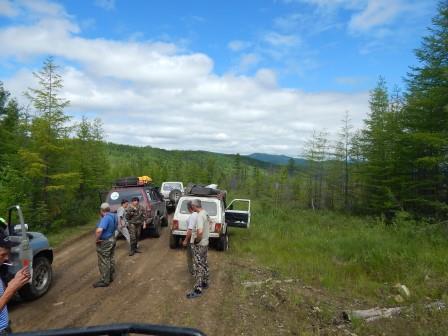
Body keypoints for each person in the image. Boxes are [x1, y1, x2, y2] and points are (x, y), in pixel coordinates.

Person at [0, 234, 31, 333]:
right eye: (3, 254)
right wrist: (11, 289)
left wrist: (14, 283)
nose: (7, 258)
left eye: (8, 254)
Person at [186, 199, 210, 299]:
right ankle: (205, 282)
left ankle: (198, 289)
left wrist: (196, 241)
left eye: (192, 206)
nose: (192, 208)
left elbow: (199, 232)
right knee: (204, 263)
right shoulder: (205, 213)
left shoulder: (200, 216)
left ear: (195, 206)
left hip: (199, 244)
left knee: (198, 265)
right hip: (205, 243)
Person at [93, 202, 117, 288]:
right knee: (110, 258)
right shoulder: (114, 216)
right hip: (112, 238)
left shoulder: (105, 218)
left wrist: (97, 239)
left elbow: (99, 230)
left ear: (101, 210)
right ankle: (110, 277)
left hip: (105, 241)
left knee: (104, 260)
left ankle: (104, 280)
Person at [182, 201, 197, 275]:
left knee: (190, 255)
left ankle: (192, 271)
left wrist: (185, 240)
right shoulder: (197, 214)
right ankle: (196, 269)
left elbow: (190, 230)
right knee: (196, 254)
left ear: (189, 208)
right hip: (197, 237)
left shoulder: (192, 216)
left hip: (192, 238)